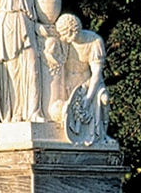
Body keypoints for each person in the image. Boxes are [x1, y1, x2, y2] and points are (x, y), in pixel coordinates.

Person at [46, 12, 112, 146]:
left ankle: (103, 134)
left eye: (66, 34)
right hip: (68, 82)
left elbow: (97, 74)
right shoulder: (64, 43)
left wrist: (88, 97)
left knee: (104, 98)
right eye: (62, 35)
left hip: (89, 82)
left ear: (73, 30)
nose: (64, 38)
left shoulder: (95, 41)